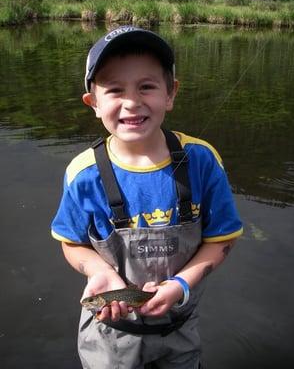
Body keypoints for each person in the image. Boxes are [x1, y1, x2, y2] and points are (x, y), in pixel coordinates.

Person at [51, 25, 243, 369]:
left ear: (170, 94)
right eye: (114, 89)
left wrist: (181, 285)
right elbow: (71, 243)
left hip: (180, 331)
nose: (131, 101)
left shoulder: (201, 162)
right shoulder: (83, 175)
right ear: (93, 103)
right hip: (109, 339)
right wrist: (98, 272)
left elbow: (222, 239)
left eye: (147, 86)